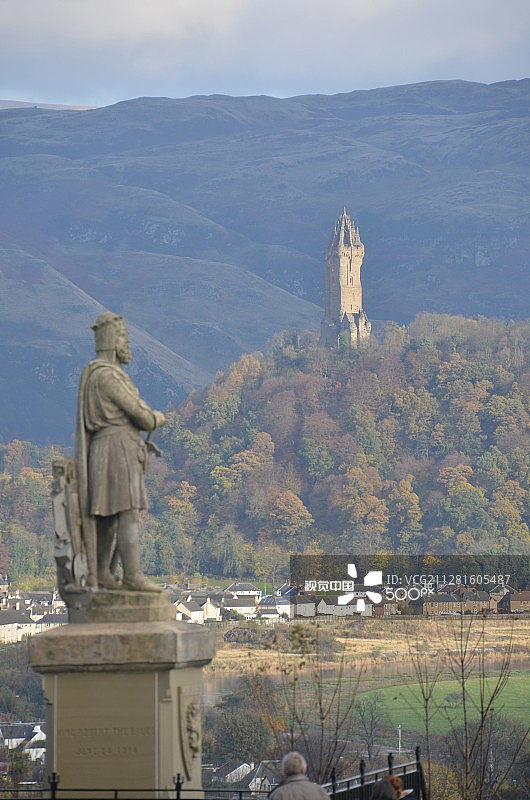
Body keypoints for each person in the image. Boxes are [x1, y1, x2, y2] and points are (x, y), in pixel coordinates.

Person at [76, 311, 166, 591]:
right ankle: (132, 576)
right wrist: (157, 417)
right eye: (123, 337)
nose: (127, 344)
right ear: (111, 340)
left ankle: (103, 572)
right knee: (127, 512)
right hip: (117, 450)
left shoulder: (98, 375)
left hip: (106, 451)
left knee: (108, 516)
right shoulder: (108, 377)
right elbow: (143, 416)